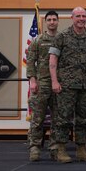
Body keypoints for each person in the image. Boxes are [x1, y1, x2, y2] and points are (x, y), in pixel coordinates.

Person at [49, 7, 86, 163]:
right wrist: (54, 81)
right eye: (78, 16)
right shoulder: (62, 36)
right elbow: (53, 60)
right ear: (72, 18)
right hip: (66, 85)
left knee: (84, 119)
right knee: (63, 118)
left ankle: (81, 150)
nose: (81, 19)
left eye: (84, 16)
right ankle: (60, 149)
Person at [26, 10, 59, 161]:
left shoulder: (61, 39)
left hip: (58, 84)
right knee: (37, 118)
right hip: (41, 83)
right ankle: (34, 147)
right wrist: (32, 80)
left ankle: (55, 148)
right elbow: (31, 61)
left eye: (54, 19)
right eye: (49, 20)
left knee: (57, 119)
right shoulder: (38, 40)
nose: (52, 22)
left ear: (58, 22)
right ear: (46, 22)